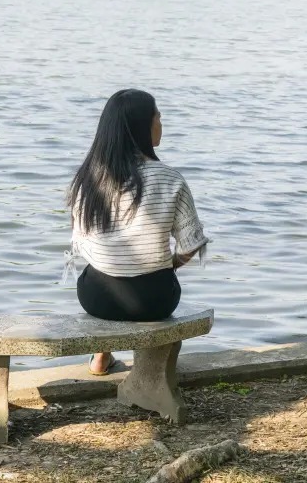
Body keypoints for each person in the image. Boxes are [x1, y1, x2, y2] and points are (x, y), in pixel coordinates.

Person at [65, 89, 209, 375]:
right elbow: (191, 244)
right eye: (158, 116)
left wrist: (115, 260)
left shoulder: (88, 177)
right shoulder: (170, 178)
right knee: (158, 276)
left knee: (97, 267)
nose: (161, 122)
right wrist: (169, 265)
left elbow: (81, 243)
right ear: (143, 125)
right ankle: (151, 374)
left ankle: (101, 356)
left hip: (97, 298)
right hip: (154, 301)